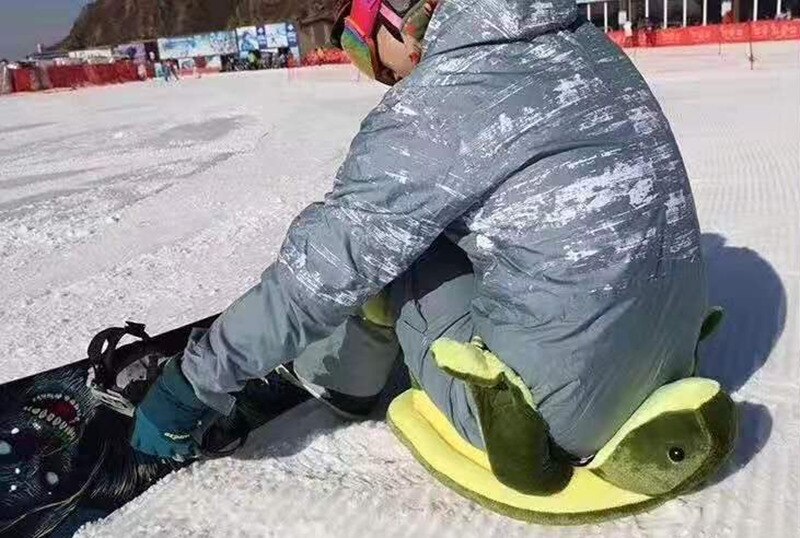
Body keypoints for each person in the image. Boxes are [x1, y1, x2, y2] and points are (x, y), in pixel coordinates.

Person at [130, 0, 733, 514]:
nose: (383, 78)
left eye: (365, 50)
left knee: (390, 251)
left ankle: (342, 380)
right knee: (442, 227)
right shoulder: (586, 46)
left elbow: (325, 271)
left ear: (397, 17)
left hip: (550, 416)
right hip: (673, 360)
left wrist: (195, 383)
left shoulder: (442, 101)